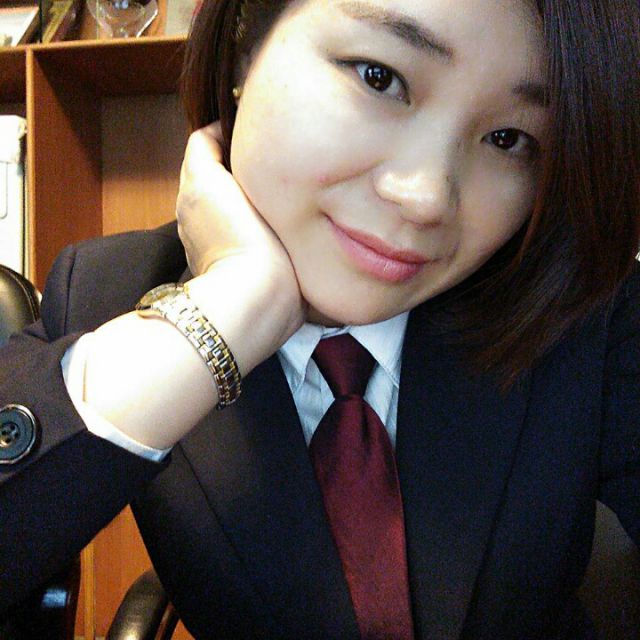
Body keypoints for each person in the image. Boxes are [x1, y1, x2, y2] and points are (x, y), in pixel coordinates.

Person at [1, 0, 639, 637]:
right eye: (379, 78)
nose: (426, 198)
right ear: (244, 48)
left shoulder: (584, 312)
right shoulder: (113, 293)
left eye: (509, 139)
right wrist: (217, 321)